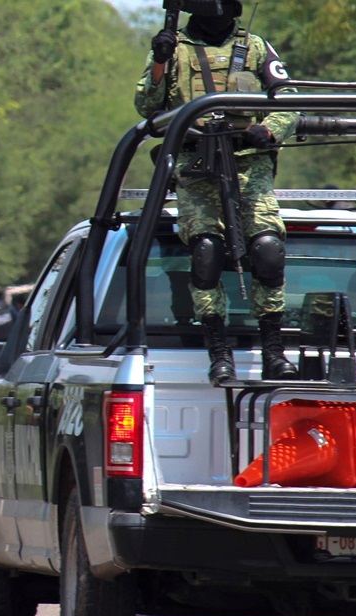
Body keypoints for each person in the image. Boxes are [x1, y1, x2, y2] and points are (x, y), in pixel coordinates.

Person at [135, 0, 299, 384]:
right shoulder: (173, 49)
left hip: (248, 162)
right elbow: (147, 107)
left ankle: (274, 351)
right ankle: (219, 351)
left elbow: (290, 101)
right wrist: (159, 64)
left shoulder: (255, 47)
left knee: (268, 251)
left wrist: (270, 129)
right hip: (197, 165)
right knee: (206, 252)